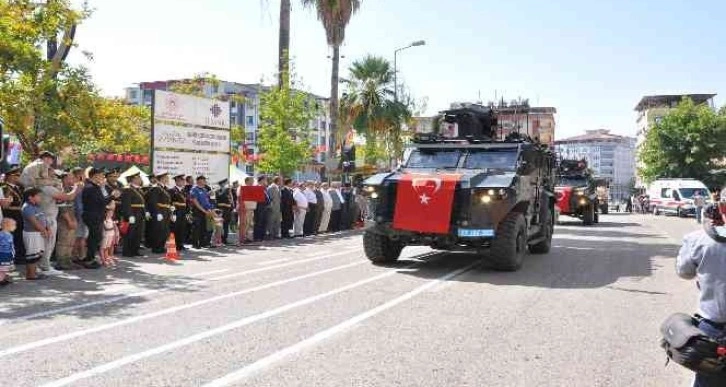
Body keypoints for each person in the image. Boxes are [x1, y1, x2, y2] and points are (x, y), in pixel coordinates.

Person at [676, 198, 726, 387]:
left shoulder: (698, 239)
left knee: (707, 381)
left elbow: (684, 272)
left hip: (715, 328)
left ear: (721, 207)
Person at [38, 170, 80, 274]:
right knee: (49, 243)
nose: (57, 179)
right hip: (48, 218)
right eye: (54, 176)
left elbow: (63, 203)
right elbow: (67, 199)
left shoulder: (55, 188)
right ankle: (47, 265)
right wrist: (77, 189)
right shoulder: (49, 188)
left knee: (52, 243)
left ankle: (47, 264)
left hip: (52, 217)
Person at [55, 170, 80, 270]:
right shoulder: (60, 189)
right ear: (64, 179)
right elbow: (62, 207)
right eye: (70, 178)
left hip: (72, 216)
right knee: (63, 241)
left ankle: (68, 260)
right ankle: (61, 262)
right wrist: (69, 220)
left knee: (71, 240)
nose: (72, 180)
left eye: (72, 178)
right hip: (64, 218)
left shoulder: (70, 189)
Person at [22, 187, 48, 280]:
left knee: (37, 254)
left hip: (38, 233)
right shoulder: (27, 207)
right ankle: (31, 275)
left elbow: (43, 218)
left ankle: (34, 272)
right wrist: (44, 230)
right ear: (30, 197)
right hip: (32, 234)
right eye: (38, 195)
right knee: (32, 255)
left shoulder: (37, 206)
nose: (40, 197)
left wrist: (47, 228)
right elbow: (34, 222)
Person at [119, 172, 147, 257]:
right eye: (138, 178)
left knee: (138, 234)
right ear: (133, 179)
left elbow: (142, 203)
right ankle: (127, 252)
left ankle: (135, 250)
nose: (140, 180)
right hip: (133, 214)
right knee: (130, 233)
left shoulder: (139, 189)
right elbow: (126, 204)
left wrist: (144, 212)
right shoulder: (127, 189)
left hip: (139, 214)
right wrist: (129, 215)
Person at [2, 167, 25, 262]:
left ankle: (19, 256)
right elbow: (5, 206)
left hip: (18, 216)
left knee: (18, 236)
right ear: (10, 177)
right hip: (10, 216)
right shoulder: (5, 188)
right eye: (17, 175)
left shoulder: (17, 188)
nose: (18, 177)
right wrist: (19, 208)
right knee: (11, 237)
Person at [145, 172, 172, 254]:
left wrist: (171, 209)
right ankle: (156, 247)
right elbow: (153, 202)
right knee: (158, 230)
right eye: (166, 178)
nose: (168, 179)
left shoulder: (164, 188)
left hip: (165, 211)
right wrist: (157, 213)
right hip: (160, 211)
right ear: (162, 179)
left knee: (164, 230)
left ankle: (161, 246)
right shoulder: (156, 188)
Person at [190, 175, 214, 249]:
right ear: (199, 181)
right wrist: (203, 211)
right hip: (197, 211)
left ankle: (202, 243)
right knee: (196, 227)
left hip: (205, 211)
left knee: (203, 228)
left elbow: (206, 202)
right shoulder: (194, 189)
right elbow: (195, 202)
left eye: (205, 180)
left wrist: (209, 209)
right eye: (204, 180)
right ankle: (195, 243)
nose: (205, 182)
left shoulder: (204, 190)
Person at [71, 167, 88, 263]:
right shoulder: (79, 186)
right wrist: (80, 215)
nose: (85, 176)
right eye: (83, 174)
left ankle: (79, 256)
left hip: (80, 214)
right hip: (80, 214)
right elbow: (78, 203)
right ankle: (78, 256)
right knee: (80, 237)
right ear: (79, 176)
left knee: (81, 236)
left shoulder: (80, 185)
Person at [169, 174, 189, 251]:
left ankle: (180, 244)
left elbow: (186, 203)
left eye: (183, 180)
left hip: (183, 212)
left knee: (182, 229)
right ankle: (173, 245)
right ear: (177, 181)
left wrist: (187, 212)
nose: (183, 182)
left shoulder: (184, 191)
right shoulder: (172, 190)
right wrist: (172, 213)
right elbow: (170, 202)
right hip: (176, 211)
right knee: (174, 229)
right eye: (182, 180)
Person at [215, 179, 233, 245]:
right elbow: (216, 203)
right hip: (220, 211)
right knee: (219, 226)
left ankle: (225, 239)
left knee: (226, 226)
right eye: (225, 183)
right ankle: (219, 240)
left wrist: (230, 206)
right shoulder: (217, 192)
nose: (227, 185)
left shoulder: (229, 191)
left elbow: (231, 201)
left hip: (228, 211)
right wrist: (224, 204)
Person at [0, 218, 16, 286]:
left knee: (5, 267)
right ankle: (1, 280)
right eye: (14, 225)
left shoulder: (8, 234)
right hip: (4, 254)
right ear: (7, 226)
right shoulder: (4, 235)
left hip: (7, 253)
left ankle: (3, 279)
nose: (15, 227)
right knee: (3, 268)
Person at [253, 175, 269, 242]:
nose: (266, 181)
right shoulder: (257, 187)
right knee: (259, 222)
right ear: (262, 180)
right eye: (265, 179)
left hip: (264, 207)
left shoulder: (264, 188)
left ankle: (262, 236)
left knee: (264, 222)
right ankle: (257, 237)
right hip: (259, 207)